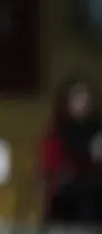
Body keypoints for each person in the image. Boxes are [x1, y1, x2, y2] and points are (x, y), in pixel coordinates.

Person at [41, 75, 102, 231]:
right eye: (77, 98)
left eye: (85, 97)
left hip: (94, 201)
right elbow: (49, 168)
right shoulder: (57, 131)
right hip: (64, 202)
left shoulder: (97, 130)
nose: (82, 103)